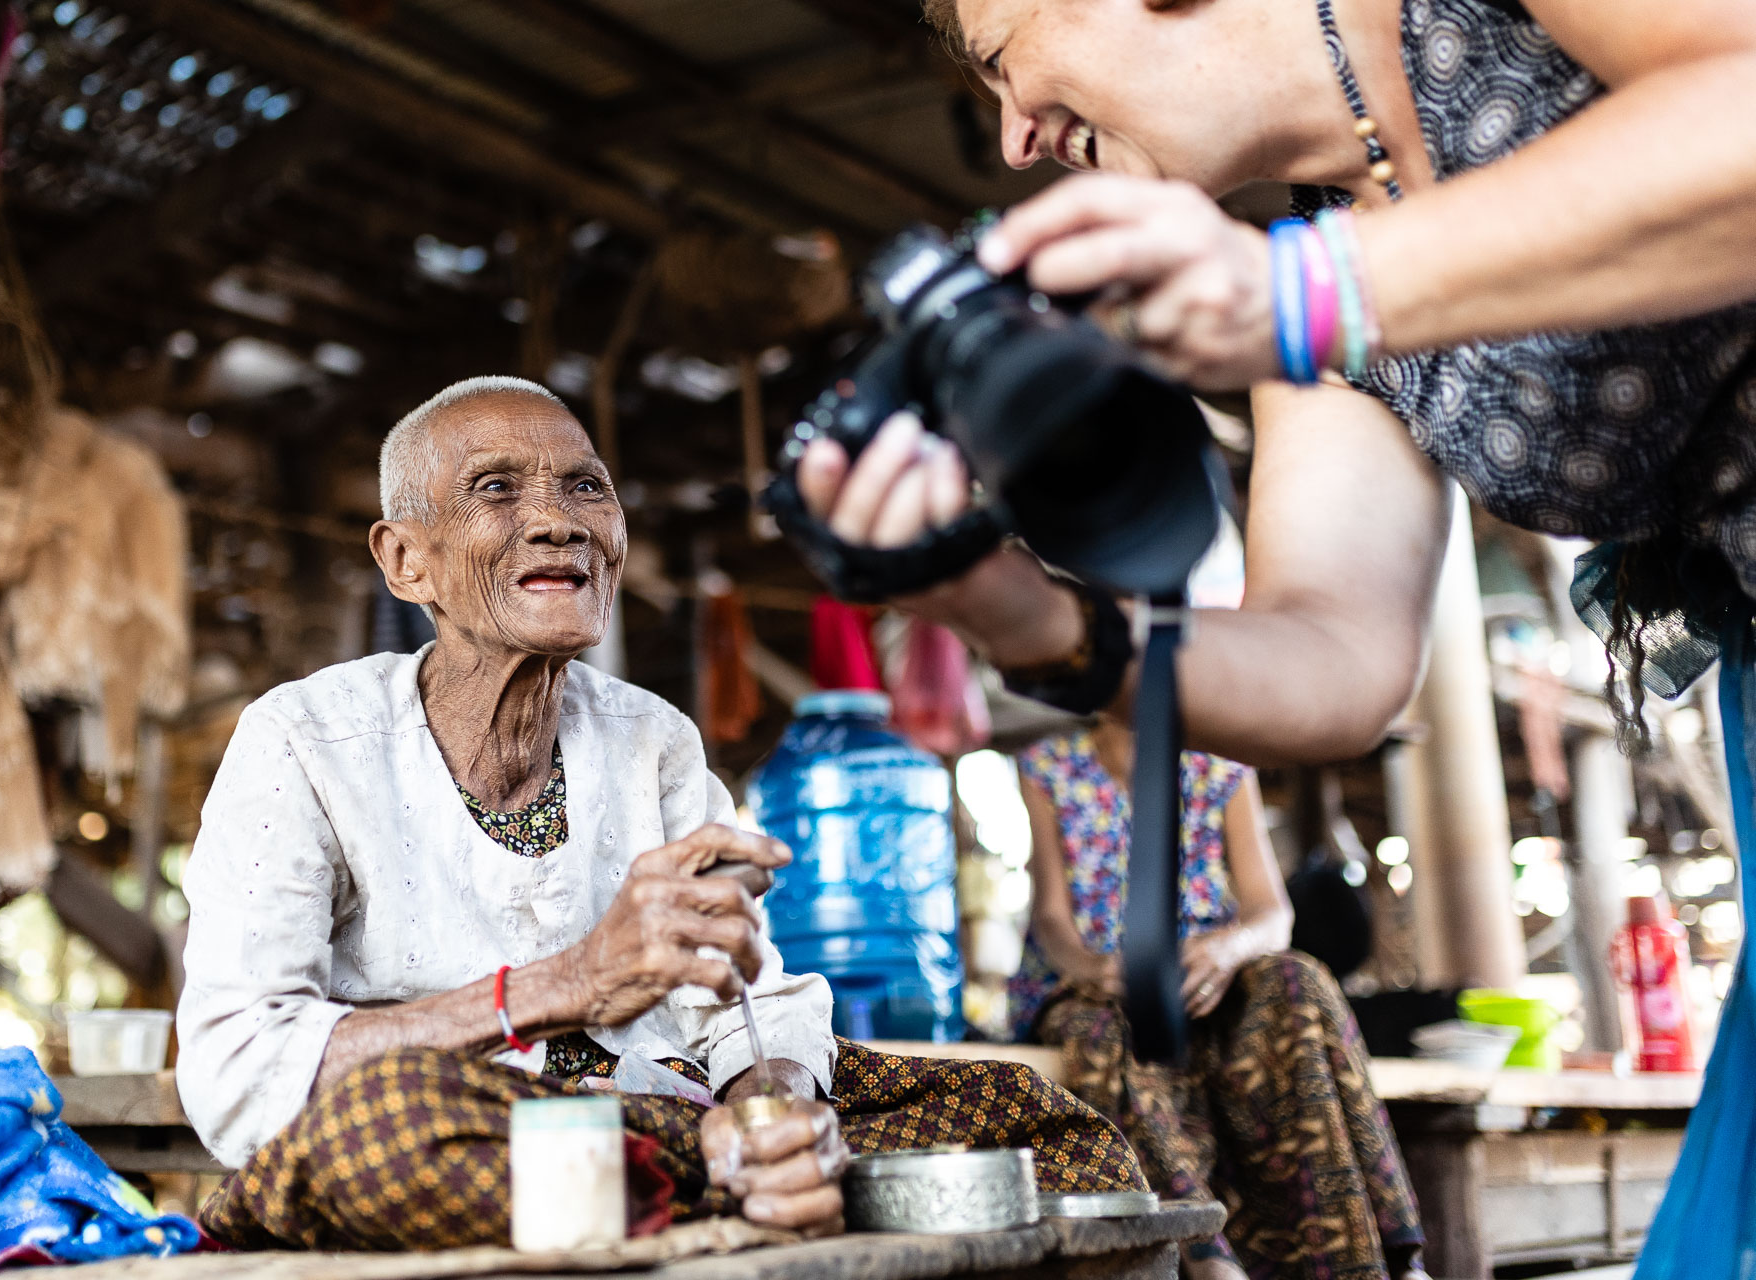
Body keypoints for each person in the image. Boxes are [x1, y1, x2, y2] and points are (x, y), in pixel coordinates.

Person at [793, 2, 1756, 1271]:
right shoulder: (1314, 257)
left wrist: (1312, 299)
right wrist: (1013, 608)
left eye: (1002, 58)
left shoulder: (1329, 250)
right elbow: (1336, 657)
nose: (1016, 136)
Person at [175, 376, 1143, 1251]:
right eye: (497, 489)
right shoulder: (305, 737)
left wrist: (771, 1115)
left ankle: (724, 1186)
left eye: (586, 486)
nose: (558, 521)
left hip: (658, 1122)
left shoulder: (654, 738)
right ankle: (697, 1191)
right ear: (405, 560)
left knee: (1031, 1118)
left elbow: (747, 999)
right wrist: (568, 982)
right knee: (383, 1127)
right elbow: (240, 1074)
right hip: (451, 1135)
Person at [1011, 720, 1423, 1280]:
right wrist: (1096, 968)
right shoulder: (1046, 767)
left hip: (1208, 975)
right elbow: (1051, 918)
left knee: (1297, 980)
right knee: (1101, 1032)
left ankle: (1382, 1255)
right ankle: (1207, 1255)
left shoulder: (1220, 764)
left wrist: (1226, 952)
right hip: (1096, 985)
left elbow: (1272, 914)